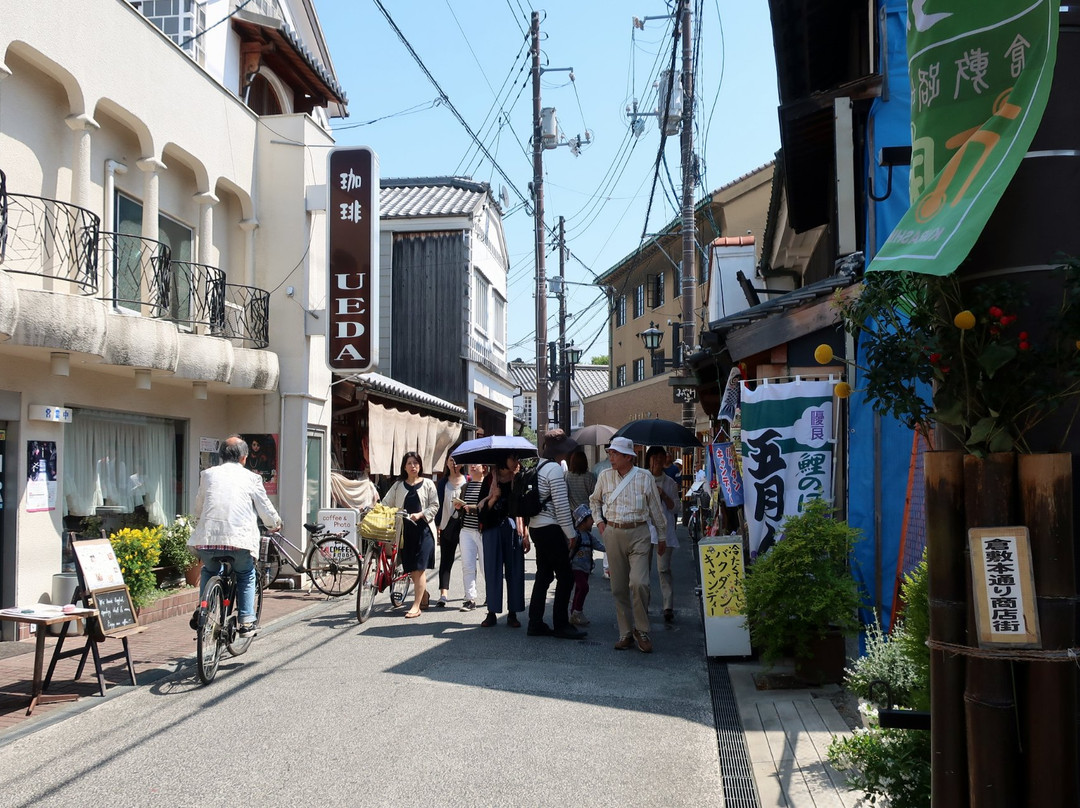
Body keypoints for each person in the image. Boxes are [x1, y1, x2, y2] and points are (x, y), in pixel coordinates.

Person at [188, 435, 280, 634]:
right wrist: (274, 524)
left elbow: (199, 505)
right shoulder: (252, 478)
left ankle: (204, 608)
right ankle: (246, 620)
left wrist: (198, 522)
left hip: (208, 539)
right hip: (239, 542)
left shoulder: (208, 474)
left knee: (209, 570)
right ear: (244, 458)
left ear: (221, 456)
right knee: (246, 573)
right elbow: (264, 507)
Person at [589, 436, 668, 654]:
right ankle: (625, 632)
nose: (610, 457)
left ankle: (641, 630)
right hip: (613, 532)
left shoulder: (644, 477)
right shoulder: (604, 476)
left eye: (614, 454)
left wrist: (662, 537)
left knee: (639, 582)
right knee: (619, 587)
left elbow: (656, 510)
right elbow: (594, 500)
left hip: (640, 532)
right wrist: (600, 522)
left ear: (628, 457)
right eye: (610, 453)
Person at [527, 429, 586, 640]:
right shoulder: (553, 469)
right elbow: (561, 506)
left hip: (536, 526)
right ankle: (561, 625)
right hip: (551, 529)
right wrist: (570, 533)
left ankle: (535, 623)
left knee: (543, 576)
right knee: (566, 576)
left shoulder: (538, 465)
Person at [381, 451, 439, 618]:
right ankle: (424, 594)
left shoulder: (428, 484)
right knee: (412, 569)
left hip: (424, 530)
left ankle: (416, 606)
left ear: (420, 465)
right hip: (405, 533)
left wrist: (421, 514)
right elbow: (386, 502)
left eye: (416, 463)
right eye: (409, 463)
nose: (413, 466)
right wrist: (377, 510)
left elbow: (435, 505)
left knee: (420, 568)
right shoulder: (398, 485)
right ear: (404, 467)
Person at [478, 454, 530, 628]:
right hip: (492, 529)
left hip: (514, 529)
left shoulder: (519, 479)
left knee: (514, 570)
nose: (517, 462)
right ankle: (492, 612)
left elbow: (524, 508)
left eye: (517, 458)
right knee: (492, 571)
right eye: (513, 459)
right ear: (503, 461)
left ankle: (513, 613)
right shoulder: (489, 480)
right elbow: (481, 512)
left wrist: (526, 533)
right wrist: (493, 498)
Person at [646, 445, 681, 623]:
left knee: (663, 569)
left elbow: (676, 507)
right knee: (642, 569)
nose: (658, 461)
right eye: (654, 457)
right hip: (644, 530)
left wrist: (664, 495)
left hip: (665, 530)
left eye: (661, 457)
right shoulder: (642, 479)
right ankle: (644, 604)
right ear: (649, 459)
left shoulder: (670, 483)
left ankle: (668, 606)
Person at [433, 453, 467, 607]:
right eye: (451, 460)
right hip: (447, 525)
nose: (454, 464)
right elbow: (438, 505)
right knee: (446, 560)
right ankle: (443, 594)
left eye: (457, 461)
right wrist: (438, 524)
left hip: (466, 527)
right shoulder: (442, 483)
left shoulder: (468, 481)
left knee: (468, 561)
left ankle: (469, 593)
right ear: (446, 463)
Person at [569, 504, 605, 627]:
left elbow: (600, 546)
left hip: (586, 569)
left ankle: (574, 612)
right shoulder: (575, 536)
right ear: (583, 522)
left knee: (580, 589)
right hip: (576, 568)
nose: (592, 522)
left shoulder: (590, 537)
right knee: (584, 588)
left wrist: (613, 548)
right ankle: (577, 612)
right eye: (590, 520)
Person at [456, 464, 487, 611]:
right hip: (466, 530)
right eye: (471, 464)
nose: (472, 466)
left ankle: (491, 595)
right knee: (467, 566)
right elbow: (462, 511)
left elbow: (487, 507)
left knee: (485, 567)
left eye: (476, 464)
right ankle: (470, 599)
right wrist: (459, 507)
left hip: (482, 531)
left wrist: (472, 508)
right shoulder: (465, 487)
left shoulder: (487, 486)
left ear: (484, 468)